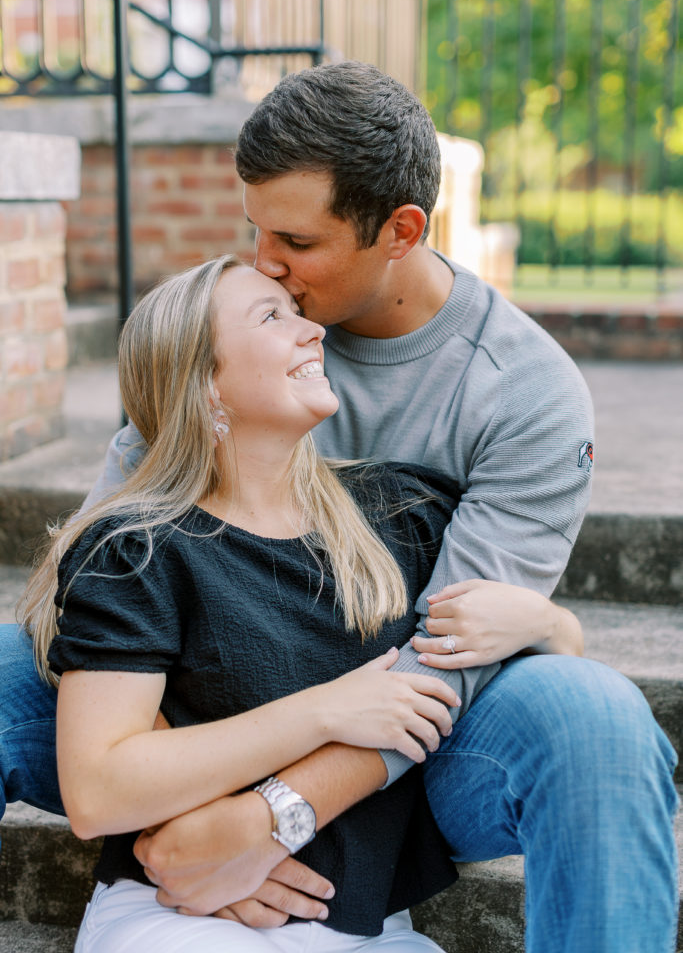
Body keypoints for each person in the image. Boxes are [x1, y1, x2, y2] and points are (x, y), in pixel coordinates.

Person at [2, 61, 678, 951]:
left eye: (295, 241)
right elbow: (92, 589)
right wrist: (186, 811)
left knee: (590, 717)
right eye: (254, 231)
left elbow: (448, 660)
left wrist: (268, 821)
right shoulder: (222, 335)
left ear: (400, 230)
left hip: (412, 752)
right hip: (198, 709)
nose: (265, 265)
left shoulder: (524, 396)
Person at [22, 254, 491, 951]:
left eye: (297, 313)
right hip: (175, 918)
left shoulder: (401, 513)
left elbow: (499, 666)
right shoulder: (140, 549)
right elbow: (97, 791)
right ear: (206, 384)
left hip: (371, 930)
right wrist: (324, 710)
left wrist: (550, 622)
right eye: (273, 316)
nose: (313, 332)